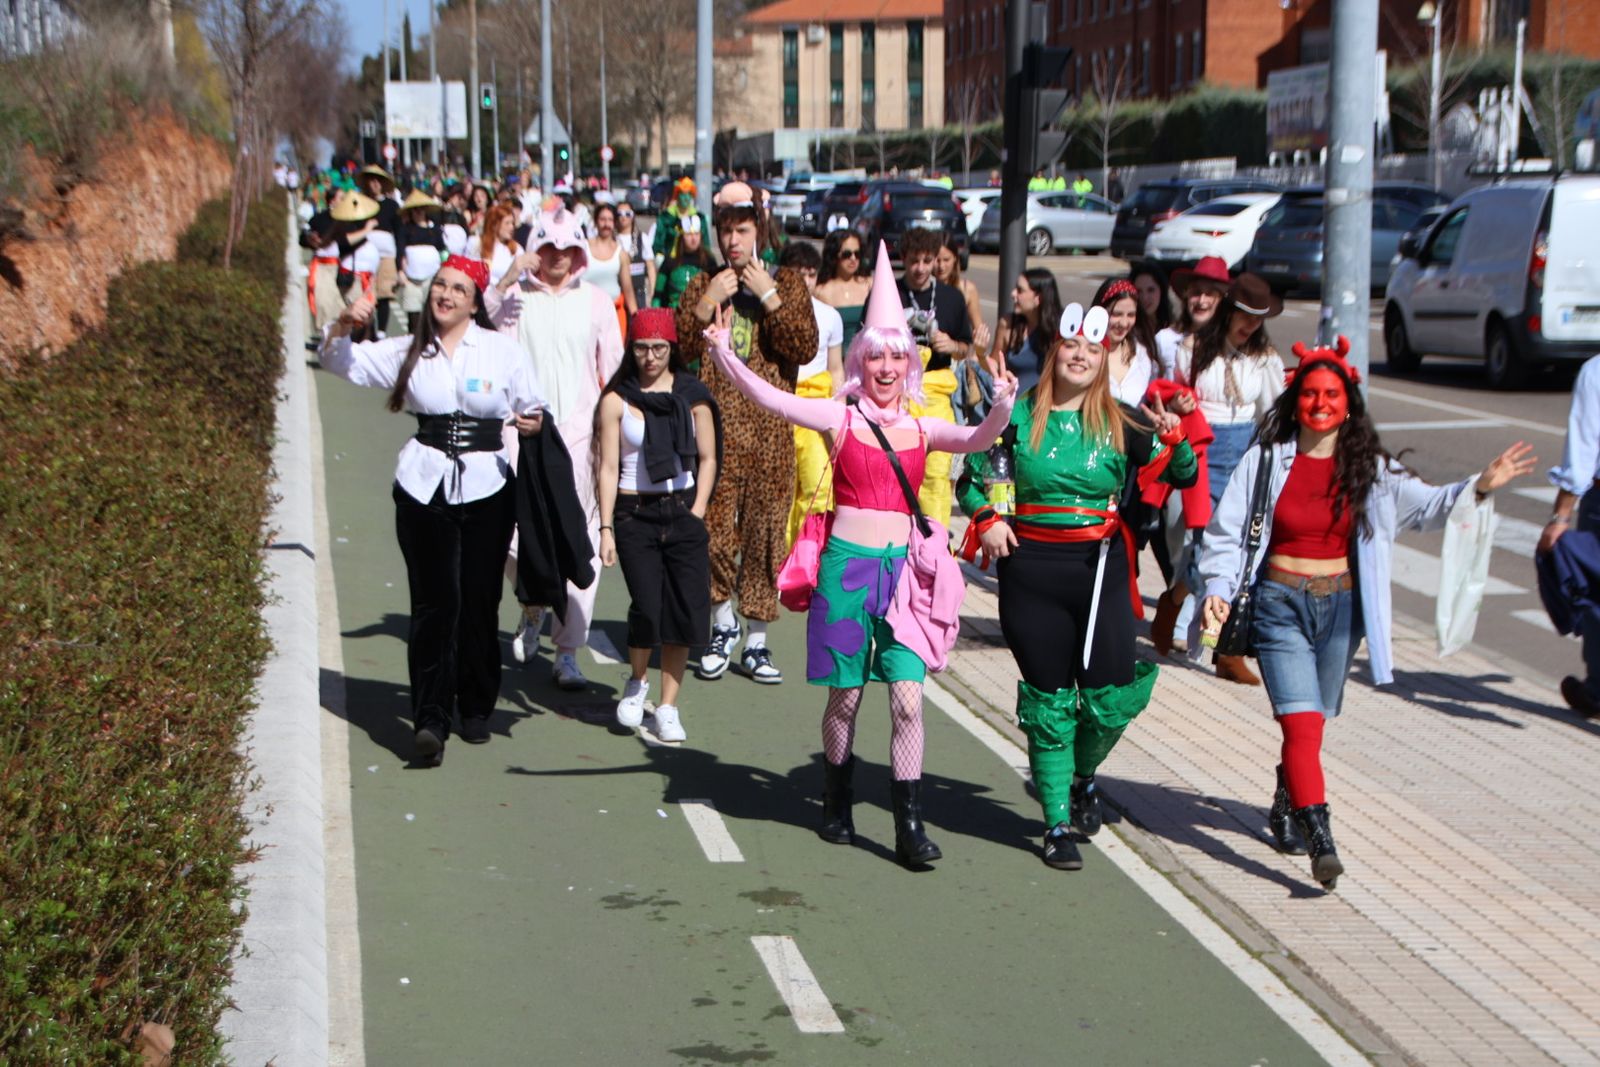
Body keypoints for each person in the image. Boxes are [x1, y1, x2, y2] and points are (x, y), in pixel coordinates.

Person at [704, 251, 1019, 868]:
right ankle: (836, 800)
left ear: (909, 362)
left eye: (896, 354)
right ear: (859, 360)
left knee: (906, 698)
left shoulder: (925, 427)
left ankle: (909, 825)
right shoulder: (841, 417)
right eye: (875, 354)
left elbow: (979, 438)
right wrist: (724, 354)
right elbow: (775, 400)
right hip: (845, 572)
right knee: (844, 700)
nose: (886, 365)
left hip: (903, 579)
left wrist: (1003, 402)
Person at [1200, 339, 1535, 889]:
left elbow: (1426, 508)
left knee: (1315, 720)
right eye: (1310, 393)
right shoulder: (1266, 459)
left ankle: (1286, 800)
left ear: (1348, 402)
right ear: (1295, 399)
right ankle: (1321, 836)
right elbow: (1228, 530)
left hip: (1341, 609)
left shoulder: (1369, 469)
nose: (1320, 403)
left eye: (1331, 394)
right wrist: (1217, 583)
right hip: (1278, 603)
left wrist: (1480, 485)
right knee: (1300, 720)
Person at [959, 303, 1196, 870]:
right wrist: (988, 521)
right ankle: (1057, 822)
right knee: (1048, 700)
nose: (1082, 355)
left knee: (1109, 698)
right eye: (1071, 346)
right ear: (1054, 353)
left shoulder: (1126, 420)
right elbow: (973, 481)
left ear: (1104, 357)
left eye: (1093, 349)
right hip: (1032, 574)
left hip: (1102, 574)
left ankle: (1084, 775)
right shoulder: (1016, 417)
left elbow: (1181, 474)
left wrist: (1176, 437)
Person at [319, 260, 546, 766]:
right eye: (440, 285)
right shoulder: (407, 349)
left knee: (479, 600)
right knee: (433, 603)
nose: (445, 295)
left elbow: (534, 406)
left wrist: (532, 425)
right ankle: (430, 719)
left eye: (458, 289)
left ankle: (476, 707)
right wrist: (343, 324)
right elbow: (340, 362)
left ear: (474, 300)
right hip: (422, 488)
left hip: (489, 488)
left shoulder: (501, 351)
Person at [676, 181, 818, 684]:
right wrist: (706, 300)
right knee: (711, 533)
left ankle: (756, 640)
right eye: (725, 231)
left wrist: (771, 296)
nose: (733, 241)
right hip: (712, 433)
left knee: (763, 537)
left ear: (758, 230)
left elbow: (803, 346)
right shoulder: (703, 283)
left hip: (770, 431)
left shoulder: (786, 282)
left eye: (741, 230)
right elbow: (676, 351)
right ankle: (721, 624)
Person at [491, 205, 624, 688]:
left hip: (578, 437)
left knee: (579, 543)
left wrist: (619, 432)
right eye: (548, 248)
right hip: (517, 435)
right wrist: (506, 278)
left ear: (580, 253)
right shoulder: (514, 299)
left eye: (568, 249)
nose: (557, 258)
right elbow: (478, 328)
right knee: (513, 539)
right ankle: (532, 606)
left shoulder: (596, 302)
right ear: (535, 249)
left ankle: (568, 649)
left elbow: (614, 371)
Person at [596, 309, 721, 743]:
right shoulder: (617, 398)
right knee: (647, 606)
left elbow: (708, 458)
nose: (650, 357)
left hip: (682, 509)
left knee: (684, 611)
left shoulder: (693, 395)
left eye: (659, 348)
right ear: (631, 350)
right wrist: (607, 528)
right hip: (635, 514)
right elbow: (608, 467)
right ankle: (637, 681)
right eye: (642, 348)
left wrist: (698, 509)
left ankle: (668, 706)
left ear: (672, 350)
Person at [1155, 273, 1286, 686]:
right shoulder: (1193, 349)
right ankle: (1175, 601)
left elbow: (1272, 414)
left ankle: (1227, 648)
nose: (1249, 326)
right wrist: (1180, 401)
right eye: (1244, 316)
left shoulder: (1264, 359)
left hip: (1244, 453)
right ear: (1229, 310)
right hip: (1201, 448)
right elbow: (1173, 396)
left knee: (1244, 550)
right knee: (1197, 543)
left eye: (1257, 319)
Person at [897, 227, 972, 527]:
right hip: (897, 394)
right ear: (903, 259)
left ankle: (935, 539)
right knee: (899, 469)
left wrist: (951, 346)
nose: (920, 268)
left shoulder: (952, 297)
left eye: (927, 261)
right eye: (914, 261)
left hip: (937, 393)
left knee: (937, 472)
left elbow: (966, 348)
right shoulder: (890, 292)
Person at [1540, 353, 1600, 716]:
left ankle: (1596, 691)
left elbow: (1582, 450)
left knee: (1595, 594)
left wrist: (1560, 517)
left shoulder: (1596, 372)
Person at [778, 241, 845, 545]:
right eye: (797, 273)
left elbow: (836, 369)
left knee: (818, 490)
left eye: (810, 273)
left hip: (816, 412)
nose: (805, 280)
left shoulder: (830, 316)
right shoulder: (773, 313)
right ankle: (779, 563)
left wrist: (839, 412)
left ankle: (806, 557)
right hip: (781, 407)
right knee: (780, 494)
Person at [990, 268, 1063, 400]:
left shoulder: (1060, 329)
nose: (1013, 294)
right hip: (1013, 411)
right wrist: (979, 353)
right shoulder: (1008, 325)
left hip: (1046, 410)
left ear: (1038, 298)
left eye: (1020, 290)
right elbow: (993, 366)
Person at [1093, 277, 1158, 407]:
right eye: (1116, 314)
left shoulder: (1143, 356)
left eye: (1130, 315)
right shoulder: (1084, 355)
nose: (1123, 323)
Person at [395, 190, 447, 335]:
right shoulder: (405, 230)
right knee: (414, 315)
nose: (418, 212)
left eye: (421, 209)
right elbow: (399, 251)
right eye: (415, 209)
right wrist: (400, 271)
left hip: (432, 276)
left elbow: (443, 250)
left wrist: (445, 267)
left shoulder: (435, 229)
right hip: (411, 278)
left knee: (432, 313)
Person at [815, 230, 870, 352]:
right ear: (834, 256)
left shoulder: (869, 285)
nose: (853, 258)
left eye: (858, 253)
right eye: (847, 254)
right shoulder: (821, 291)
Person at [653, 214, 715, 311]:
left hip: (701, 316)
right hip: (673, 315)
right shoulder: (670, 260)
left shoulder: (708, 260)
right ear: (681, 236)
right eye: (689, 234)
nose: (694, 239)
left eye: (697, 234)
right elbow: (658, 295)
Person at [586, 201, 630, 338]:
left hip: (614, 313)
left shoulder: (621, 253)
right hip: (587, 313)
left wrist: (635, 314)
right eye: (602, 219)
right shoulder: (583, 248)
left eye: (610, 220)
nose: (606, 224)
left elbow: (627, 288)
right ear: (595, 221)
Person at [654, 176, 710, 261]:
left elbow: (706, 245)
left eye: (689, 195)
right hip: (671, 262)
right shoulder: (666, 217)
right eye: (683, 194)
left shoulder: (699, 218)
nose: (686, 198)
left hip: (694, 262)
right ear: (677, 195)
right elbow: (658, 243)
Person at [615, 203, 656, 317]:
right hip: (618, 293)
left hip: (639, 292)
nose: (623, 217)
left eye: (627, 214)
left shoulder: (642, 238)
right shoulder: (613, 239)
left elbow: (650, 266)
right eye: (619, 214)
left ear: (632, 216)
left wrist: (652, 291)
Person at [469, 201, 522, 288]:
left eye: (512, 223)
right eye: (507, 223)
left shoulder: (517, 249)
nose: (512, 227)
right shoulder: (476, 243)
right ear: (494, 225)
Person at [1128, 260, 1174, 335]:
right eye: (1138, 291)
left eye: (1151, 290)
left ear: (1162, 290)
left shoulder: (1175, 327)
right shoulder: (1127, 329)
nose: (1145, 297)